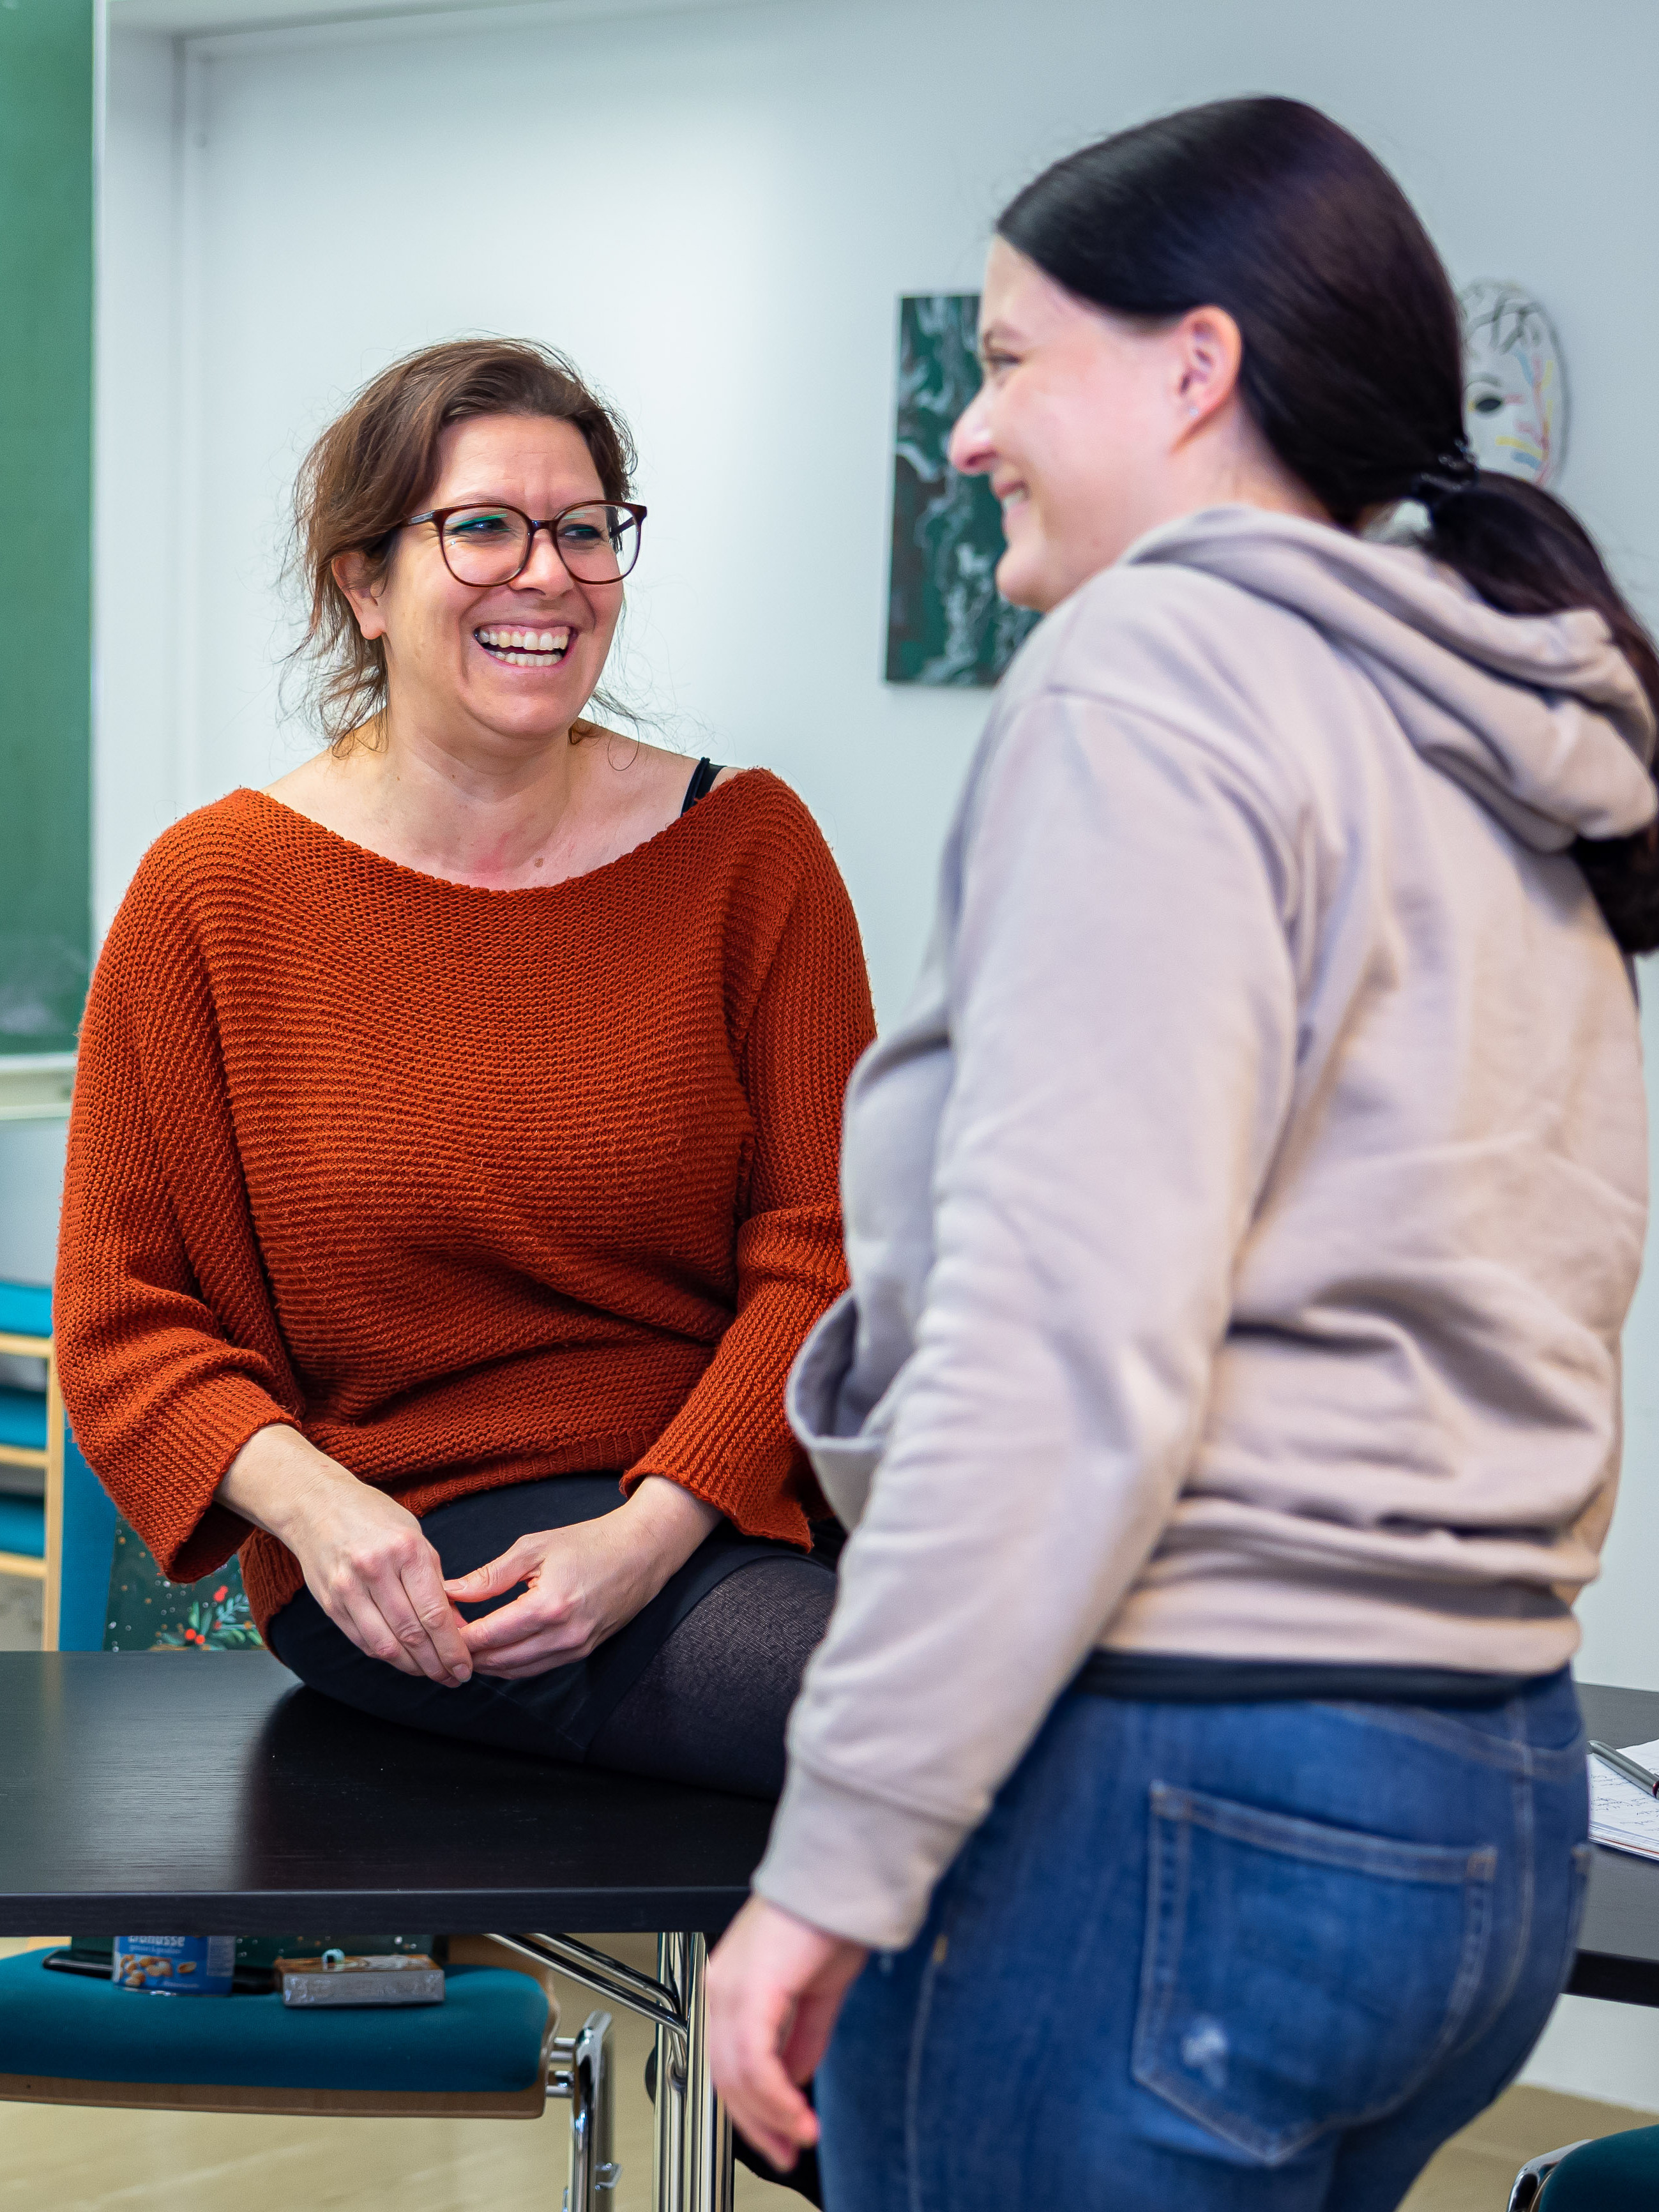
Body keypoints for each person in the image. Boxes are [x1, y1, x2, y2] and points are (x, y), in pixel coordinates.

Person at [708, 96, 1659, 2210]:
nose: (962, 432)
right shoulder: (1485, 730)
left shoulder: (1149, 671)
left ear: (1191, 366)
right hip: (1482, 1803)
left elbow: (1063, 1350)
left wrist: (831, 1855)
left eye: (1006, 355)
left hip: (1172, 1777)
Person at [56, 337, 875, 1800]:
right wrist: (314, 1507)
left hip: (712, 1511)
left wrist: (649, 1530)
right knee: (930, 1735)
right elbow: (124, 1319)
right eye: (483, 526)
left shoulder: (751, 852)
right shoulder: (211, 894)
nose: (546, 573)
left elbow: (826, 1248)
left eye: (583, 530)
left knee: (1065, 1687)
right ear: (364, 585)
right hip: (405, 1550)